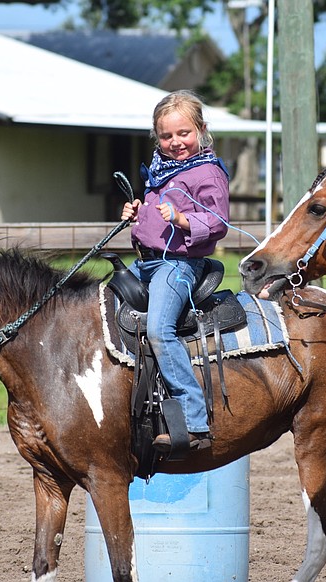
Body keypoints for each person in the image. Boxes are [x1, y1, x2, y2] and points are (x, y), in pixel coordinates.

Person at [121, 90, 230, 452]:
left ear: (201, 129)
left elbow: (217, 221)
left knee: (159, 329)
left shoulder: (207, 172)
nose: (175, 142)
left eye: (184, 133)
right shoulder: (161, 171)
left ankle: (194, 420)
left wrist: (184, 220)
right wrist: (138, 214)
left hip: (180, 264)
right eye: (166, 136)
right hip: (147, 262)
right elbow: (156, 218)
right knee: (101, 311)